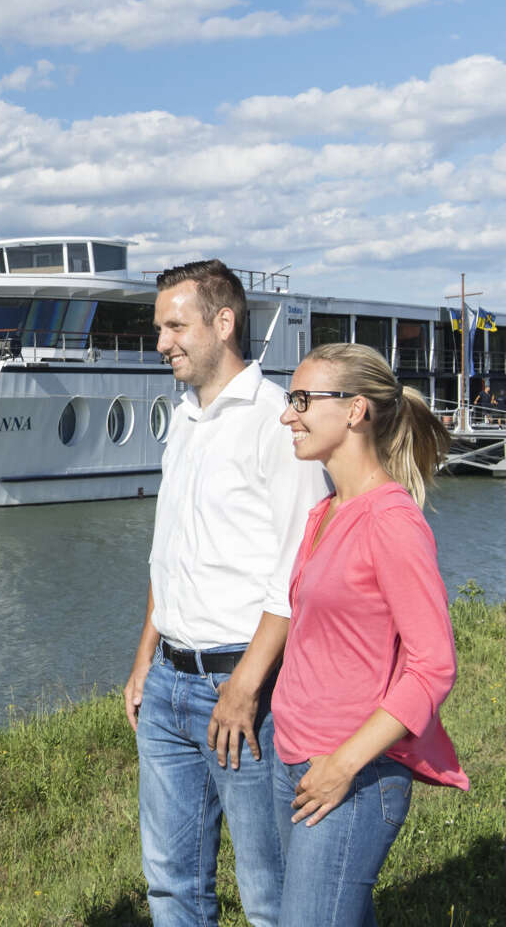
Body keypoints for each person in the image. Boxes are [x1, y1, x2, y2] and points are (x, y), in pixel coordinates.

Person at [124, 259, 330, 926]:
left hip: (244, 684)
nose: (162, 343)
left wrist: (244, 686)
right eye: (159, 328)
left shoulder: (277, 421)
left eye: (175, 325)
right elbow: (171, 551)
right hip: (166, 688)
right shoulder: (183, 419)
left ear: (224, 321)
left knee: (269, 894)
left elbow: (298, 572)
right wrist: (143, 661)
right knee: (171, 886)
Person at [273, 343, 467, 923]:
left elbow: (434, 665)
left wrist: (342, 764)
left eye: (303, 400)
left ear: (355, 409)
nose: (289, 415)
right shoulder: (326, 511)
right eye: (290, 400)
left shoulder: (390, 521)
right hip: (297, 762)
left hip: (354, 775)